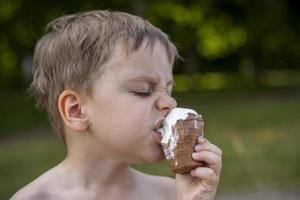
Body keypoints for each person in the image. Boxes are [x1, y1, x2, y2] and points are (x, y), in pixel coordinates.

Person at [11, 10, 222, 200]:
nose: (170, 102)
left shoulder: (170, 194)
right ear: (76, 110)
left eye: (168, 89)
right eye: (142, 90)